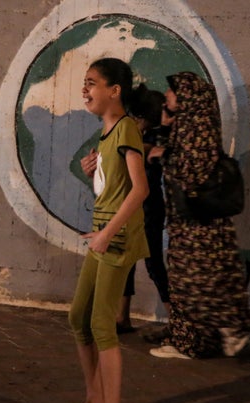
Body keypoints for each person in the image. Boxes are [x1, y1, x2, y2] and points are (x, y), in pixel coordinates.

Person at [55, 57, 149, 403]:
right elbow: (116, 187)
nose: (85, 89)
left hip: (116, 237)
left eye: (92, 82)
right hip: (104, 232)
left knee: (101, 325)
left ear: (115, 91)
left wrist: (108, 233)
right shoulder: (108, 133)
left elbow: (140, 189)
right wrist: (94, 174)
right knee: (79, 317)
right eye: (85, 82)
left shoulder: (126, 129)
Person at [147, 71, 250, 359]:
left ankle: (235, 325)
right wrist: (165, 128)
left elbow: (191, 171)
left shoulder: (197, 127)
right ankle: (191, 342)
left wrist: (162, 154)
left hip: (199, 226)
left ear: (188, 97)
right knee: (184, 284)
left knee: (200, 284)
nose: (167, 96)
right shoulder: (186, 125)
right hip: (186, 223)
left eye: (173, 92)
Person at [81, 84, 171, 340]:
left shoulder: (151, 139)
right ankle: (122, 316)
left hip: (147, 209)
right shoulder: (133, 136)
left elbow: (148, 157)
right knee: (128, 263)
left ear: (141, 117)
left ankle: (178, 322)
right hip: (134, 207)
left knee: (154, 264)